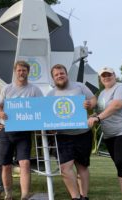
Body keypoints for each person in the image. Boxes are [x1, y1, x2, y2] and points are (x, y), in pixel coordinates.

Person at [47, 64, 97, 200]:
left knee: (82, 166)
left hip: (83, 133)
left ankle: (84, 196)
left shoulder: (79, 86)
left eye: (62, 73)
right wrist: (50, 127)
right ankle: (75, 197)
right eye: (56, 75)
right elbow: (48, 116)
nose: (60, 76)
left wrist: (89, 104)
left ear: (66, 74)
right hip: (63, 135)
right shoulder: (50, 94)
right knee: (65, 168)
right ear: (53, 78)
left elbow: (93, 99)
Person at [0, 60, 43, 200]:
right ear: (15, 72)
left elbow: (42, 107)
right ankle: (8, 194)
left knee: (25, 163)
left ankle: (24, 195)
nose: (21, 72)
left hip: (24, 132)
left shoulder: (35, 90)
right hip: (6, 130)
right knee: (6, 165)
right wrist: (0, 113)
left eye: (24, 70)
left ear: (28, 72)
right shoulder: (7, 88)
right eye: (19, 70)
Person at [88, 67, 122, 200]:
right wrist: (92, 116)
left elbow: (116, 105)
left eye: (109, 74)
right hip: (110, 135)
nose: (106, 77)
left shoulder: (121, 87)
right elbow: (101, 112)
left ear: (114, 75)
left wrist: (98, 118)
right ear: (100, 79)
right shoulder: (102, 94)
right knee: (121, 167)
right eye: (103, 75)